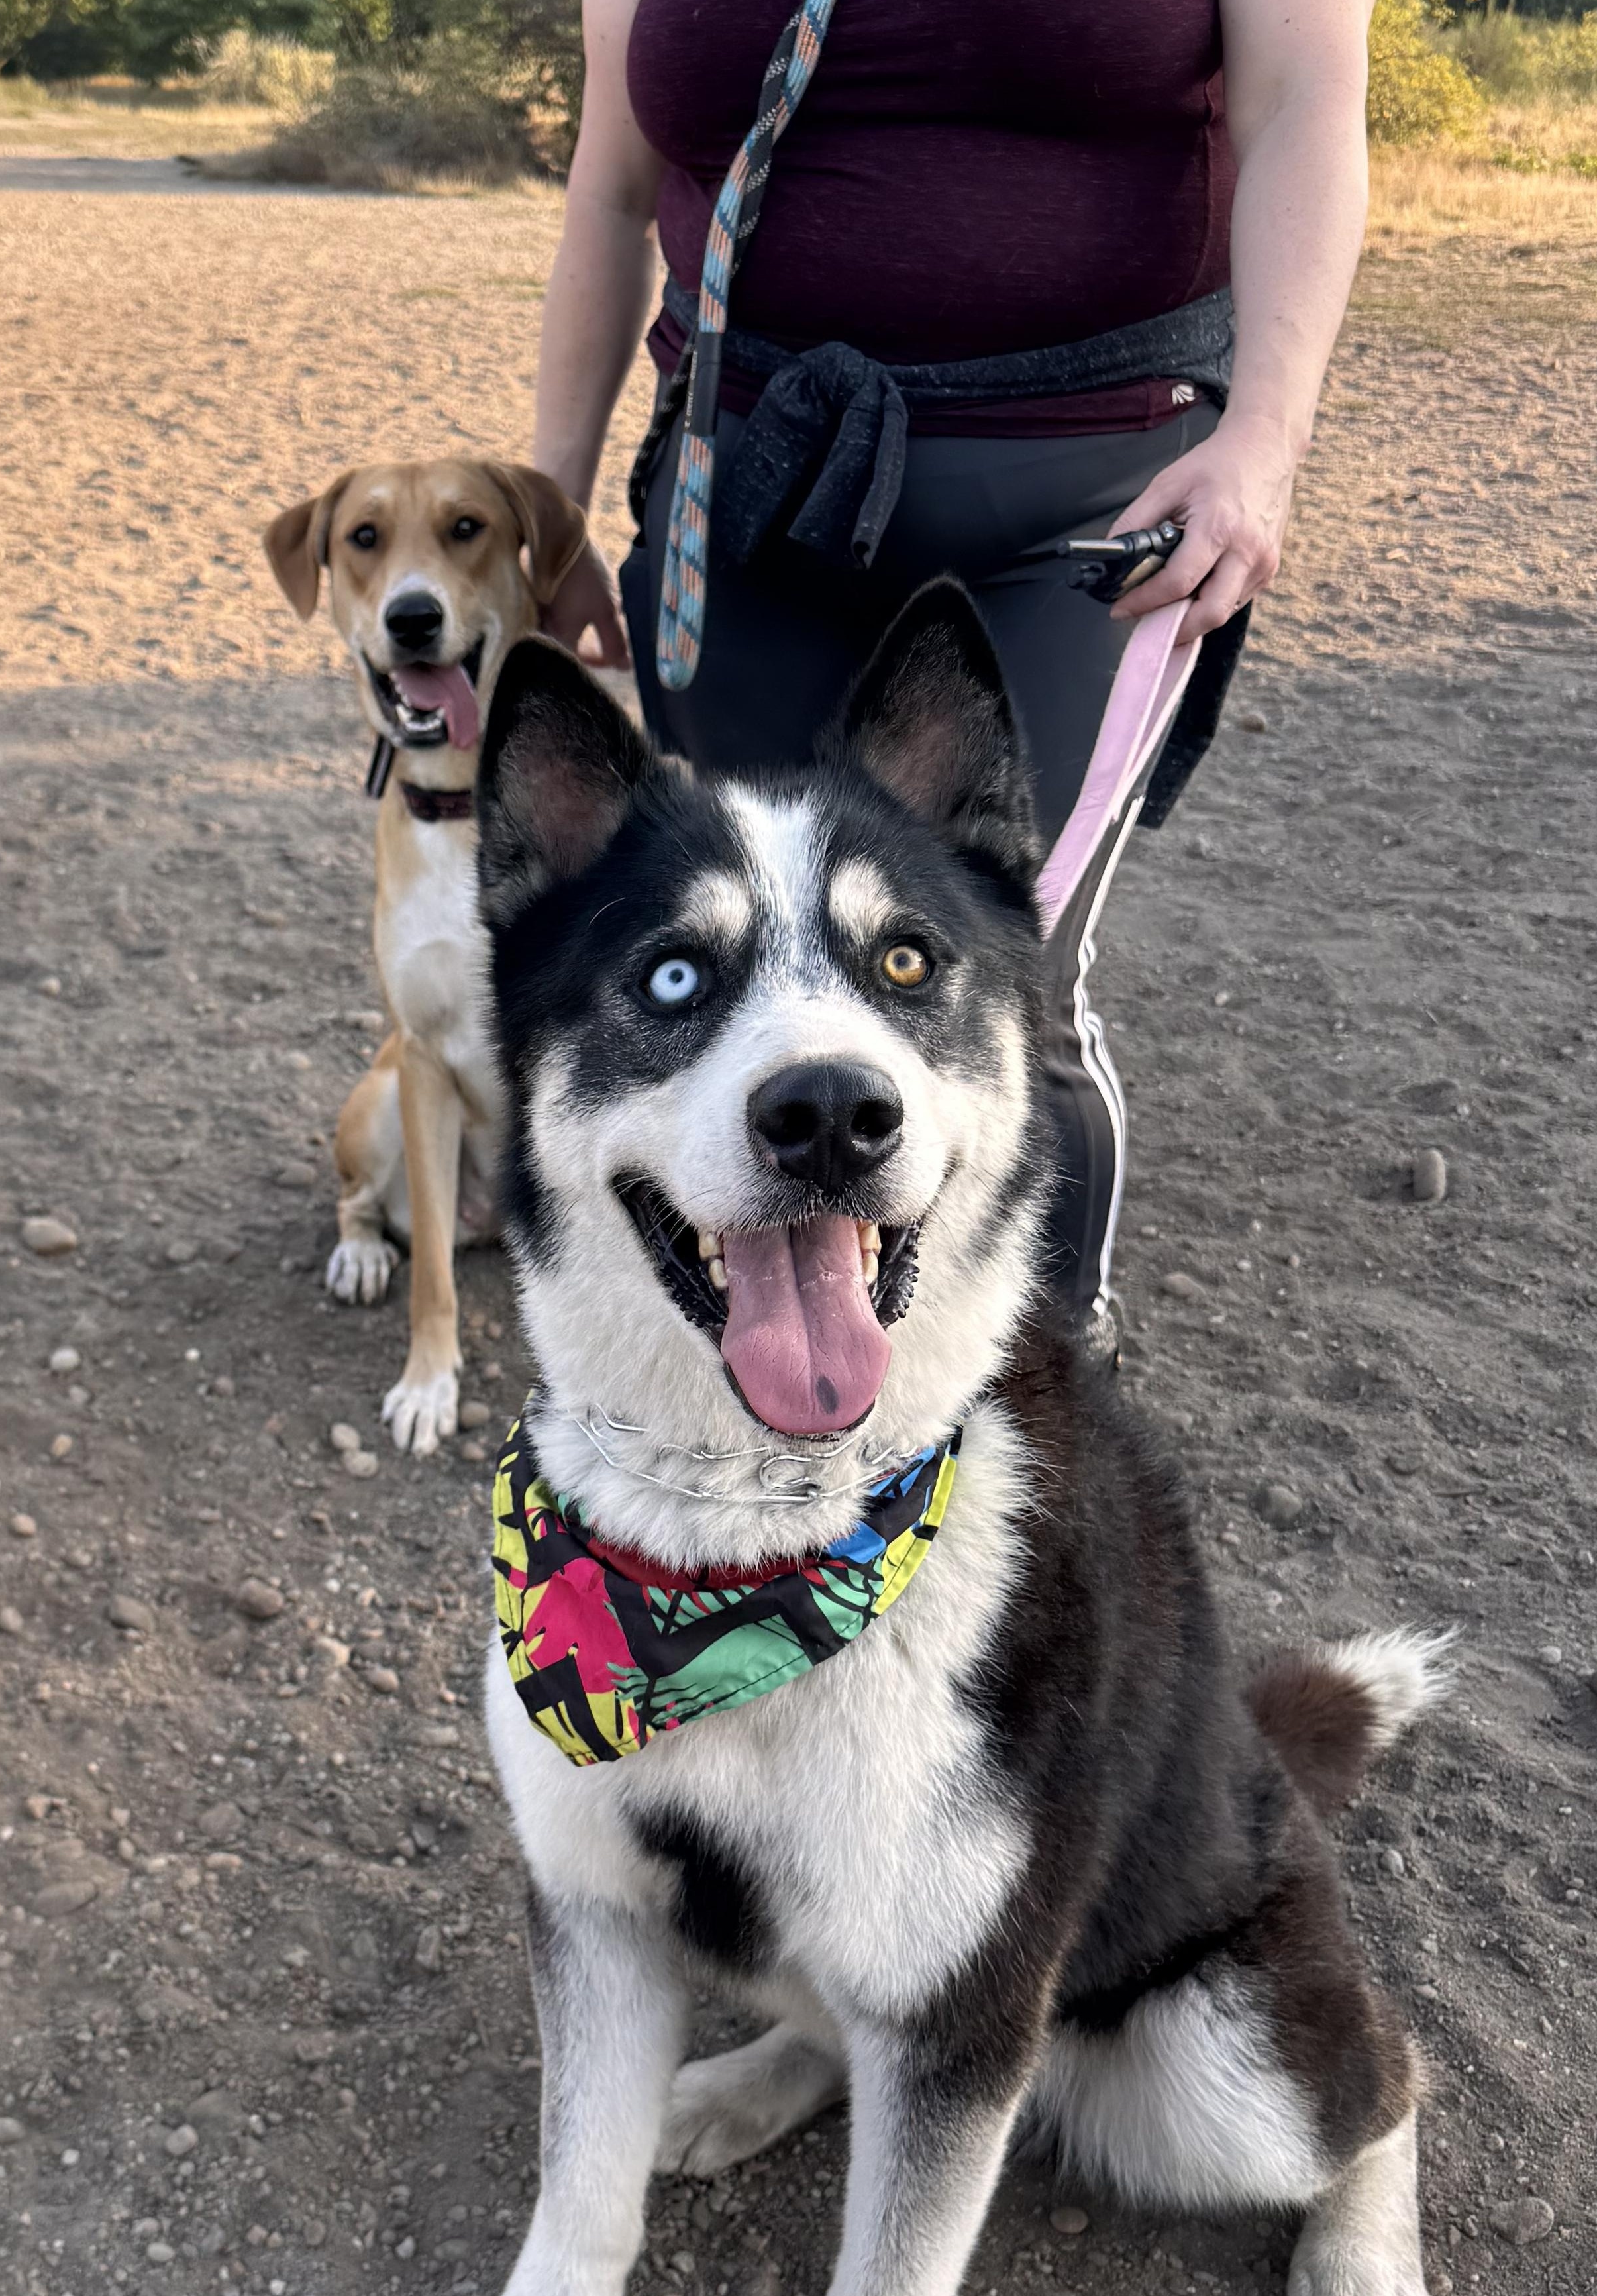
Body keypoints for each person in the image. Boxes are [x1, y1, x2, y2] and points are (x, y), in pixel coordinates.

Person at [527, 0, 1371, 1360]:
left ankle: (1039, 1373)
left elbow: (1304, 108)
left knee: (992, 978)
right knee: (741, 979)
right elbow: (614, 182)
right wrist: (549, 513)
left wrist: (1264, 443)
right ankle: (775, 1378)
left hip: (1096, 496)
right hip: (743, 495)